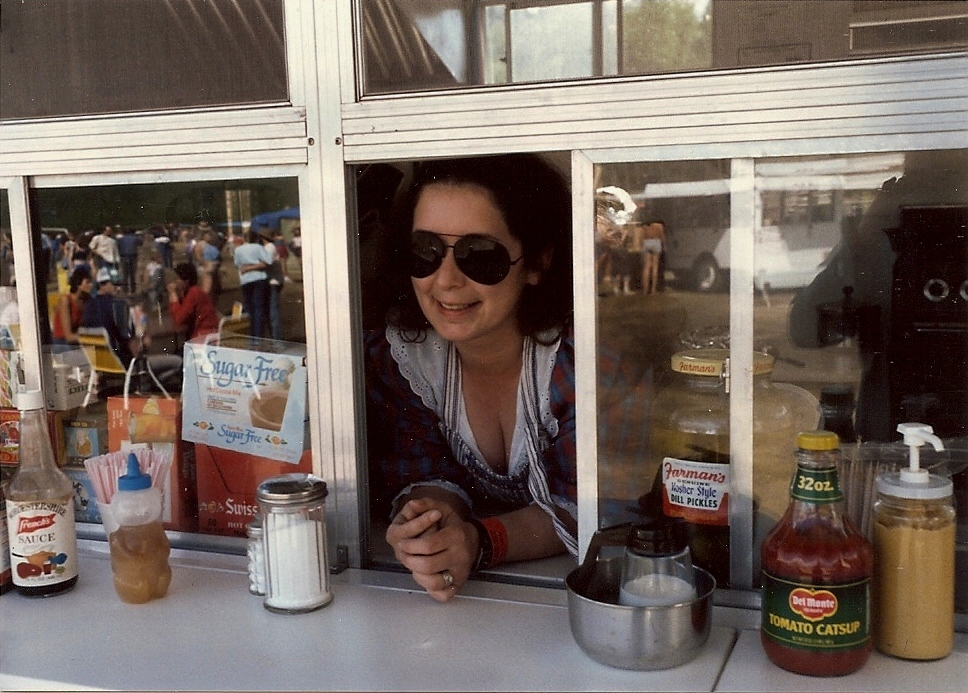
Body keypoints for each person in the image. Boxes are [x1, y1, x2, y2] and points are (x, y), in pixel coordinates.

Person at [364, 154, 576, 602]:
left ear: (537, 262)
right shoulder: (404, 361)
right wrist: (428, 523)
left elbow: (590, 507)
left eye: (480, 256)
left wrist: (478, 541)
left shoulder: (582, 364)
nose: (445, 281)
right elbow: (423, 469)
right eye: (425, 252)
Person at [167, 262, 220, 341]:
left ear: (186, 280)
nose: (175, 282)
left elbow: (179, 319)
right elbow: (176, 316)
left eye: (178, 279)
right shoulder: (186, 293)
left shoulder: (194, 292)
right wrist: (174, 298)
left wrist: (174, 296)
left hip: (205, 334)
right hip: (198, 333)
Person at [233, 229, 270, 338]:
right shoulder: (258, 248)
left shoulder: (238, 250)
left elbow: (238, 265)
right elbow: (267, 262)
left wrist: (247, 268)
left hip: (245, 280)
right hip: (259, 278)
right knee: (258, 308)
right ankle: (258, 336)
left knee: (250, 308)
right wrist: (254, 266)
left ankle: (252, 335)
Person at [52, 266, 93, 347]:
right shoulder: (66, 301)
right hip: (62, 344)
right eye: (87, 282)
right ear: (79, 284)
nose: (91, 285)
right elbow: (69, 336)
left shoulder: (87, 300)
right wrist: (90, 338)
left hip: (77, 341)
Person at [260, 229, 285, 340]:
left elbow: (267, 262)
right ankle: (274, 337)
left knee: (272, 312)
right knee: (270, 311)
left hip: (272, 282)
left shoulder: (269, 247)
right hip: (274, 281)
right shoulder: (270, 247)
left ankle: (276, 339)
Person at [640, 219, 666, 295]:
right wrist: (664, 246)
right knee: (655, 267)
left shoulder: (645, 226)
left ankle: (645, 290)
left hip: (647, 242)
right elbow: (662, 236)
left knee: (647, 267)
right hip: (656, 242)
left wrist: (643, 245)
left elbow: (642, 237)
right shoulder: (659, 225)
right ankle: (653, 290)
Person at [115, 227, 141, 294]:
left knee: (125, 274)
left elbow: (117, 246)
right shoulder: (135, 238)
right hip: (133, 256)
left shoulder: (120, 239)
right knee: (133, 274)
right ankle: (133, 289)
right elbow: (140, 243)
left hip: (123, 256)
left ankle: (125, 290)